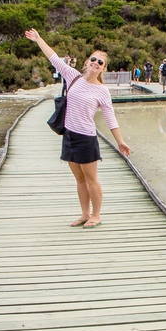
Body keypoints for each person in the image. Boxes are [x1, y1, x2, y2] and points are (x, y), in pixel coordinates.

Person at [25, 28, 132, 228]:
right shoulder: (72, 76)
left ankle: (96, 215)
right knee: (80, 179)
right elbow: (54, 58)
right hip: (69, 135)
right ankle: (85, 213)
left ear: (103, 69)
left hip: (86, 138)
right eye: (93, 59)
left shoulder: (102, 91)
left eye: (100, 62)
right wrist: (38, 39)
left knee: (92, 179)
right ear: (86, 62)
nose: (96, 63)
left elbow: (110, 118)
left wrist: (120, 141)